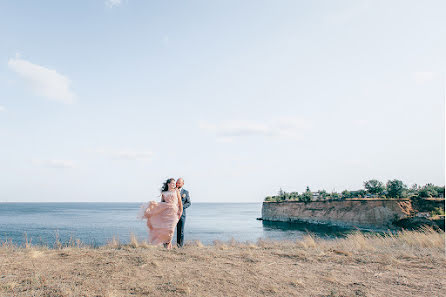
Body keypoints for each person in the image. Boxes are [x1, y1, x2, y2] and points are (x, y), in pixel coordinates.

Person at [141, 178, 182, 249]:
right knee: (166, 230)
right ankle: (168, 246)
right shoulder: (164, 193)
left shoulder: (176, 191)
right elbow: (162, 203)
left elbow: (180, 202)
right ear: (168, 184)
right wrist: (154, 206)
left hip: (174, 213)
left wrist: (180, 212)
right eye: (172, 183)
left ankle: (168, 244)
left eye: (174, 183)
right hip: (166, 212)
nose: (173, 184)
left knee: (171, 230)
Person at [176, 178, 191, 247]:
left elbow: (188, 203)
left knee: (181, 231)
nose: (177, 184)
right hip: (173, 214)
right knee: (170, 230)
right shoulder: (173, 191)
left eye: (179, 183)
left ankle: (179, 246)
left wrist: (181, 208)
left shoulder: (185, 192)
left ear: (182, 184)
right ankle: (167, 245)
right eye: (177, 182)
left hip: (182, 214)